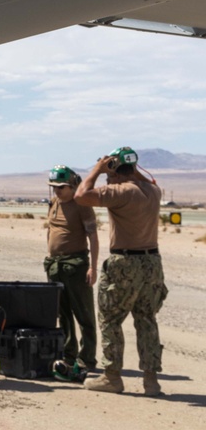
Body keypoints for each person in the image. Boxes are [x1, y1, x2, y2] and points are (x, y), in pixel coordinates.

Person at [75, 148, 167, 396]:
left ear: (115, 172)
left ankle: (112, 377)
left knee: (110, 320)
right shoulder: (153, 191)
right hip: (152, 263)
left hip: (124, 263)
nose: (107, 179)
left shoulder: (120, 192)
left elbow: (81, 195)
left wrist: (97, 170)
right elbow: (144, 180)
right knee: (147, 320)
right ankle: (151, 381)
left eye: (109, 174)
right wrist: (127, 166)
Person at [44, 166, 99, 382]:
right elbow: (51, 230)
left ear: (72, 185)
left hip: (76, 266)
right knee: (63, 314)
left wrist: (92, 267)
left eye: (61, 187)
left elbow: (93, 237)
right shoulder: (54, 203)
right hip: (55, 266)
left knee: (83, 314)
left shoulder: (82, 205)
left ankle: (87, 358)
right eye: (54, 187)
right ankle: (69, 355)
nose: (57, 191)